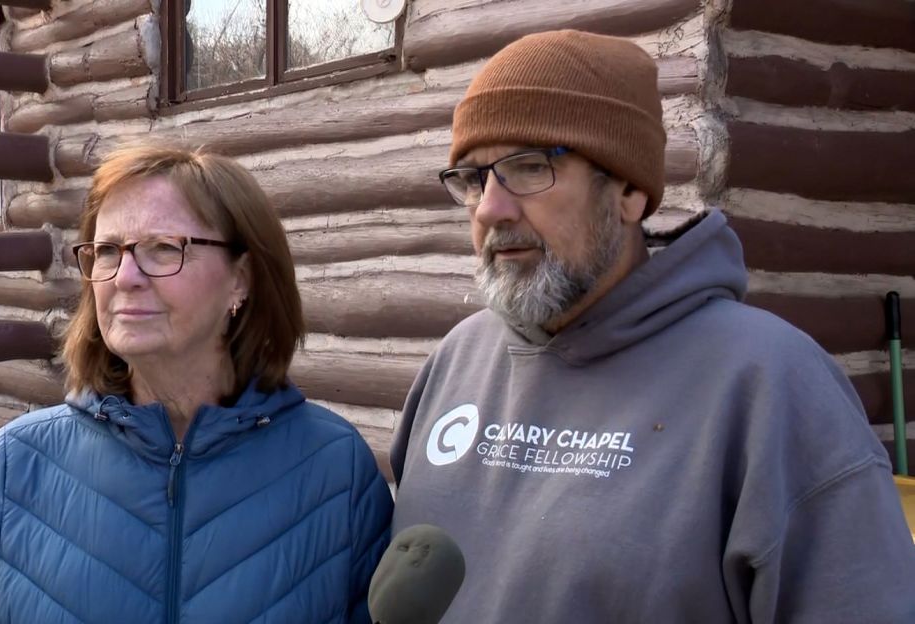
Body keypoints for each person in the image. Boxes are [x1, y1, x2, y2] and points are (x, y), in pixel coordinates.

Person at [389, 29, 915, 623]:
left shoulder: (774, 386)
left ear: (631, 191)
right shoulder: (455, 362)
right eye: (473, 179)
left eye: (528, 168)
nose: (490, 208)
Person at [0, 145, 393, 623]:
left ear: (240, 280)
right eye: (107, 252)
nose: (125, 276)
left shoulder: (335, 471)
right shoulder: (13, 468)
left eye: (163, 249)